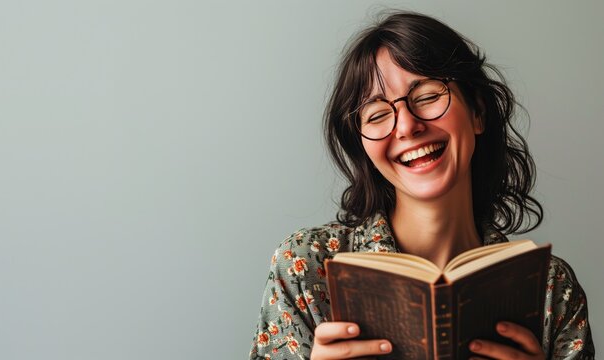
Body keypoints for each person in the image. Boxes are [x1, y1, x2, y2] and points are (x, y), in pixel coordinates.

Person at [249, 11, 595, 360]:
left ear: (477, 111)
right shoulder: (305, 268)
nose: (406, 126)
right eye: (377, 114)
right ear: (364, 148)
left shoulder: (551, 289)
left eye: (428, 96)